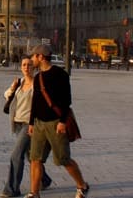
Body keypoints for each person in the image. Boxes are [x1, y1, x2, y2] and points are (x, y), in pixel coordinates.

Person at [26, 44, 89, 198]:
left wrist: (62, 121)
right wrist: (32, 122)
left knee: (63, 159)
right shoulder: (38, 77)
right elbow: (35, 100)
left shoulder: (60, 74)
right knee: (35, 159)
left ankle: (82, 185)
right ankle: (34, 193)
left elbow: (67, 100)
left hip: (56, 123)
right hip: (39, 124)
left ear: (41, 57)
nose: (31, 60)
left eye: (33, 56)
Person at [0, 56, 52, 198]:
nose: (26, 68)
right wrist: (12, 88)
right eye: (24, 65)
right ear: (21, 67)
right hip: (17, 123)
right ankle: (44, 180)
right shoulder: (19, 83)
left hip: (30, 124)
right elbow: (6, 95)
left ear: (34, 68)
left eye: (29, 65)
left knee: (16, 155)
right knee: (31, 156)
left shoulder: (38, 84)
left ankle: (12, 189)